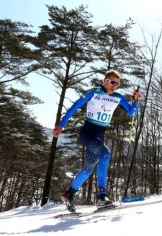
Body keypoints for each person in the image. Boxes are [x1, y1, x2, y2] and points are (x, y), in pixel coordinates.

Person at [53, 69, 141, 212]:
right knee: (105, 154)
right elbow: (74, 107)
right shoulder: (93, 92)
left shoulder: (118, 97)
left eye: (117, 84)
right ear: (104, 81)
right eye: (112, 82)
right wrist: (61, 125)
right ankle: (101, 196)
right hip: (88, 132)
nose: (115, 86)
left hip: (100, 135)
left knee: (88, 168)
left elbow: (132, 113)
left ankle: (69, 194)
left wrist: (135, 101)